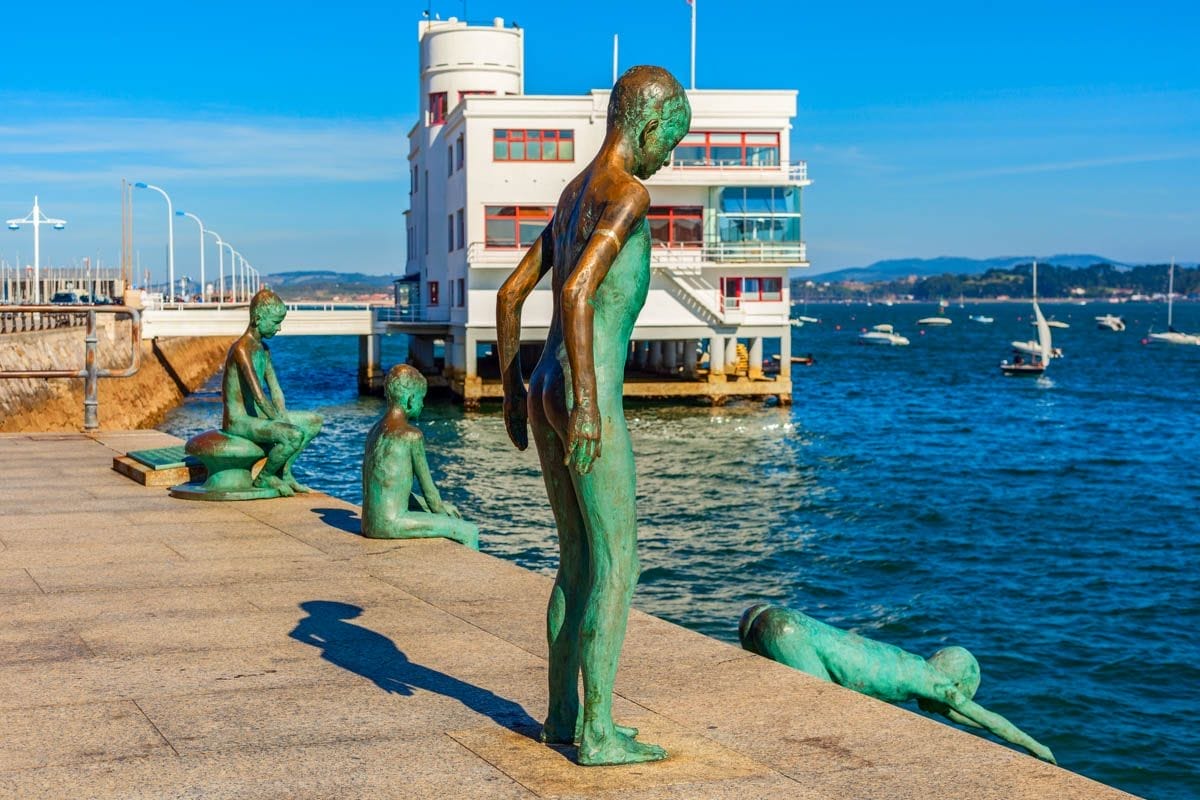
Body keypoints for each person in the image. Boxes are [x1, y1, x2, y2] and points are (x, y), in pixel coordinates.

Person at [496, 65, 692, 766]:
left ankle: (560, 717)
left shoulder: (571, 193)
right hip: (585, 392)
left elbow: (513, 296)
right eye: (670, 141)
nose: (669, 158)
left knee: (573, 559)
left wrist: (514, 393)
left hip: (543, 380)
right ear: (646, 127)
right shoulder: (627, 195)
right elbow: (577, 293)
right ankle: (600, 734)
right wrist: (585, 407)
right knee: (618, 562)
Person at [738, 604, 1056, 764]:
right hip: (786, 631)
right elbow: (982, 717)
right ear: (955, 682)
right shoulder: (930, 681)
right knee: (826, 709)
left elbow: (955, 714)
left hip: (772, 617)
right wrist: (1038, 748)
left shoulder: (910, 664)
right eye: (959, 691)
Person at [361, 364, 479, 549]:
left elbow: (389, 489)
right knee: (469, 531)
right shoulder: (411, 435)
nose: (423, 405)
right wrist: (443, 517)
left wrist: (440, 508)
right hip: (391, 524)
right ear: (410, 400)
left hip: (369, 523)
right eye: (421, 399)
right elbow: (429, 491)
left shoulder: (374, 431)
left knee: (445, 512)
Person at [221, 288, 322, 496]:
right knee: (293, 434)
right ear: (258, 318)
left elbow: (275, 390)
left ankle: (285, 473)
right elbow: (258, 395)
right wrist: (280, 421)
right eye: (276, 322)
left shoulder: (264, 350)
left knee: (313, 422)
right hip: (239, 421)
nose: (279, 328)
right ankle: (265, 477)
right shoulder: (241, 349)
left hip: (257, 417)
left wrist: (282, 412)